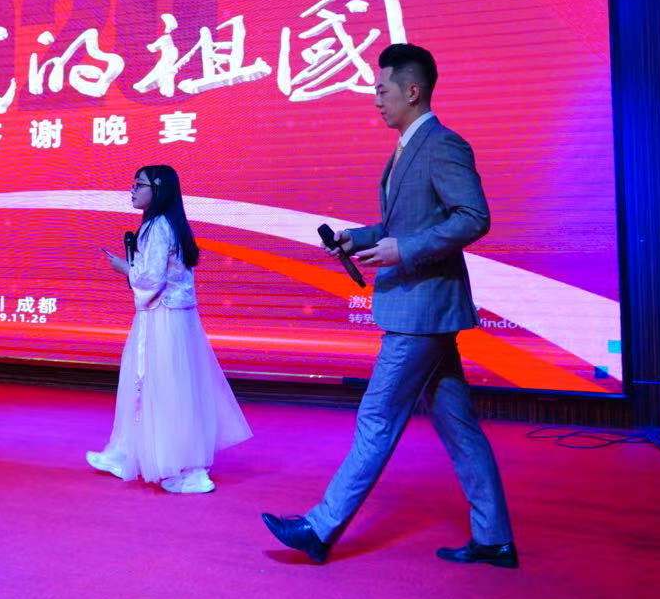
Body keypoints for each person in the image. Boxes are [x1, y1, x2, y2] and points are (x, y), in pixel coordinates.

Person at [261, 43, 517, 566]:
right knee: (459, 427)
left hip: (421, 311)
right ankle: (494, 538)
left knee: (377, 417)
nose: (375, 100)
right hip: (423, 310)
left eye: (382, 90)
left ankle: (320, 527)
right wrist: (358, 239)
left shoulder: (443, 145)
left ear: (412, 91)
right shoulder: (407, 147)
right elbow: (404, 224)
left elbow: (474, 217)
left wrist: (406, 249)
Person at [90, 165, 252, 493]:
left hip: (163, 317)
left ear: (159, 189)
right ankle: (126, 452)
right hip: (168, 316)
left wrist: (124, 267)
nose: (132, 190)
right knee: (152, 385)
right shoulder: (167, 225)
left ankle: (183, 467)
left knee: (164, 388)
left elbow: (151, 279)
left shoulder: (158, 227)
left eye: (139, 184)